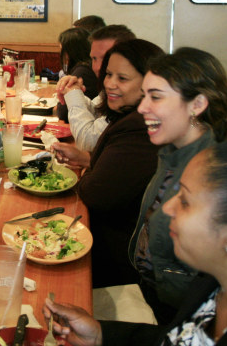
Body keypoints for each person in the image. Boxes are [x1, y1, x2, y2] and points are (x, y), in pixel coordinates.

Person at [43, 139, 227, 346]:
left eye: (187, 201)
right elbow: (178, 339)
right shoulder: (216, 284)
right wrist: (101, 335)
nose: (167, 208)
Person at [131, 47, 227, 322]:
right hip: (151, 291)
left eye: (155, 97)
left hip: (178, 310)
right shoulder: (172, 153)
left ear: (197, 105)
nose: (142, 107)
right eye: (144, 96)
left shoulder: (212, 172)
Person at [51, 39, 164, 288]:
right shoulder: (127, 116)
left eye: (122, 78)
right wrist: (87, 159)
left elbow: (94, 193)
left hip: (117, 262)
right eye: (109, 75)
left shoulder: (139, 126)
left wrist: (90, 168)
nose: (110, 84)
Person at [55, 24, 136, 151]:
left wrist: (73, 94)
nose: (97, 67)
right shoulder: (108, 86)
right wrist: (72, 92)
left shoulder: (131, 94)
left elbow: (88, 142)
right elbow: (96, 110)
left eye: (105, 58)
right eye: (94, 58)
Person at [57, 27, 97, 98]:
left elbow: (63, 107)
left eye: (61, 49)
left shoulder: (82, 71)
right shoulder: (88, 66)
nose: (60, 53)